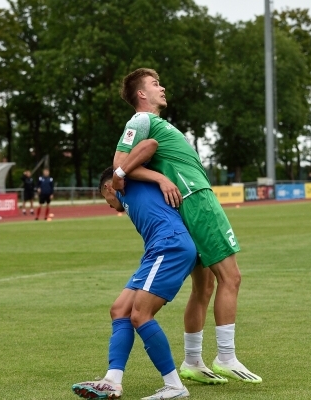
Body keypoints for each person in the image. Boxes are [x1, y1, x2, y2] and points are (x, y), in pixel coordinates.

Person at [112, 68, 261, 384]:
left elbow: (131, 165)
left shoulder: (155, 125)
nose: (161, 87)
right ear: (141, 94)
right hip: (196, 199)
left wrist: (157, 176)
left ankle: (193, 361)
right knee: (231, 277)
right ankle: (226, 356)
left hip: (188, 201)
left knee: (205, 286)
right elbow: (119, 168)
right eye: (154, 84)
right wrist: (159, 177)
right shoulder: (140, 120)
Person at [72, 167, 194, 400]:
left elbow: (146, 146)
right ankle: (112, 381)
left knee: (140, 315)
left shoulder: (121, 183)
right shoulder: (127, 193)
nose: (108, 204)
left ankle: (175, 386)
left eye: (104, 197)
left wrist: (128, 173)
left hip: (169, 246)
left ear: (109, 187)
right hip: (156, 251)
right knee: (120, 309)